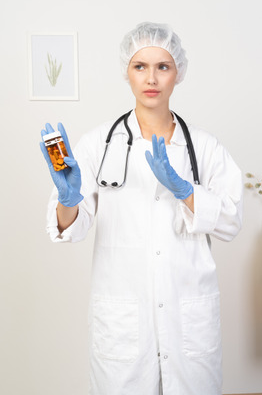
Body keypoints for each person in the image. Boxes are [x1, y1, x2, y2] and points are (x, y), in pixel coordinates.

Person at [40, 22, 243, 395]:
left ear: (177, 73)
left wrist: (185, 191)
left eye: (163, 67)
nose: (152, 78)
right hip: (123, 323)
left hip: (188, 320)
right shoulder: (97, 144)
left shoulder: (205, 147)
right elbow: (73, 227)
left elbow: (230, 222)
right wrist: (69, 201)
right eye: (140, 66)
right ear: (127, 73)